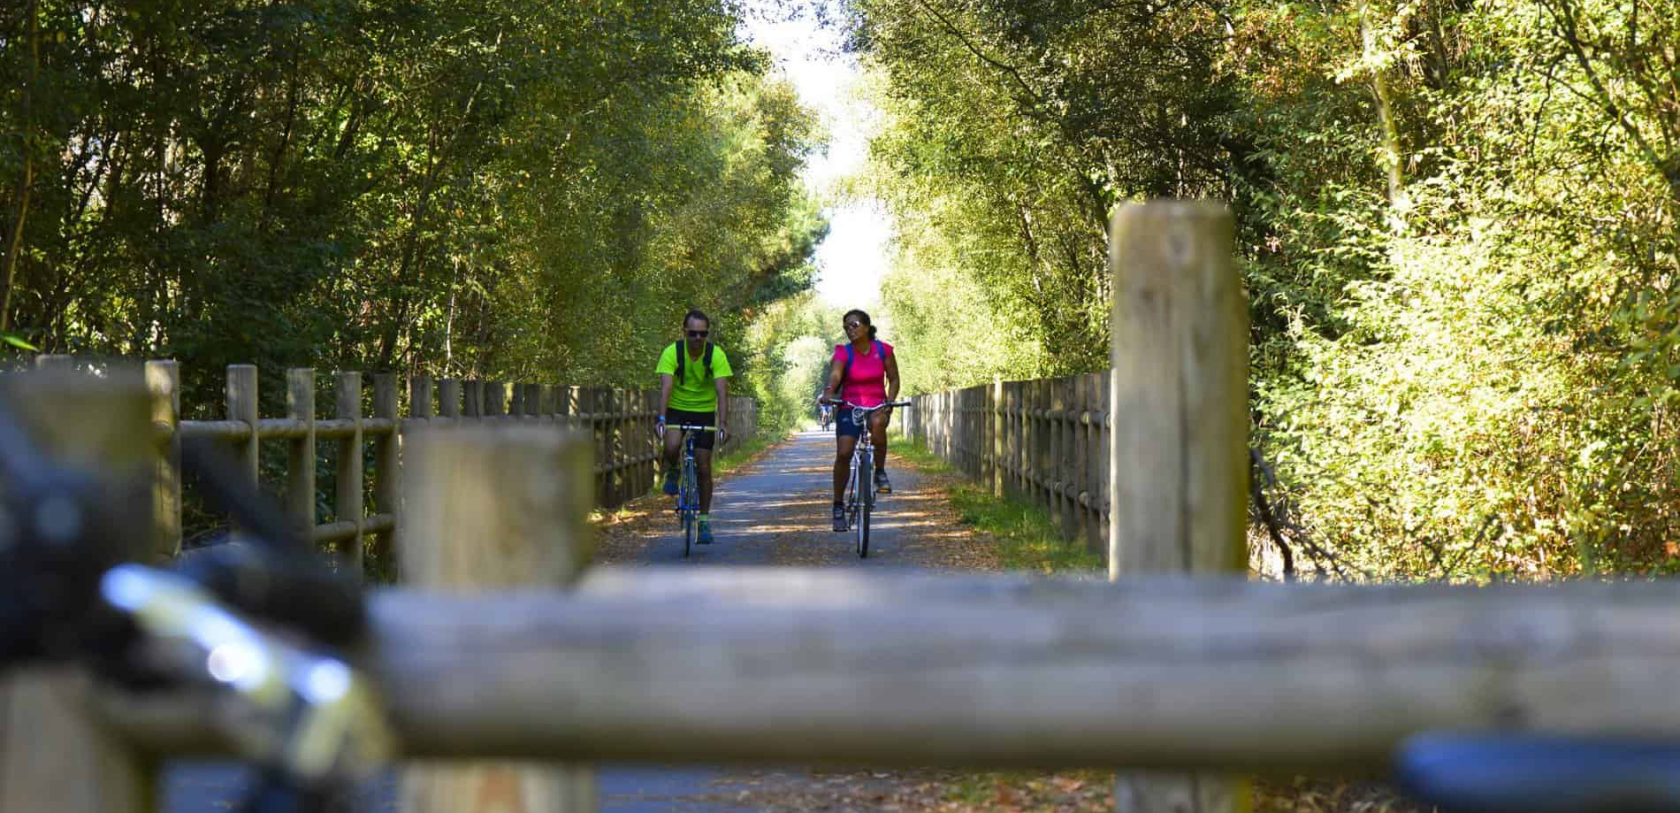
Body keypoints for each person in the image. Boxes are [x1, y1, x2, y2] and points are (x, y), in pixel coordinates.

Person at [817, 309, 900, 532]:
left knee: (879, 423)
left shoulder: (883, 350)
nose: (849, 330)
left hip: (876, 405)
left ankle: (880, 472)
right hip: (849, 406)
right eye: (846, 327)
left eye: (853, 325)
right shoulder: (844, 352)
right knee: (844, 453)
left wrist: (889, 402)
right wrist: (829, 391)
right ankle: (837, 506)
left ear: (866, 326)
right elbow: (835, 375)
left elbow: (893, 379)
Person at [654, 309, 732, 545]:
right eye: (693, 333)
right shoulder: (672, 352)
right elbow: (666, 387)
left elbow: (722, 391)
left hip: (704, 412)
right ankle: (674, 469)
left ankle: (704, 521)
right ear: (684, 331)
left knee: (704, 467)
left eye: (703, 334)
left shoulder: (716, 355)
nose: (698, 338)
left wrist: (723, 424)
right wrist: (661, 418)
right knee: (671, 446)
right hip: (678, 408)